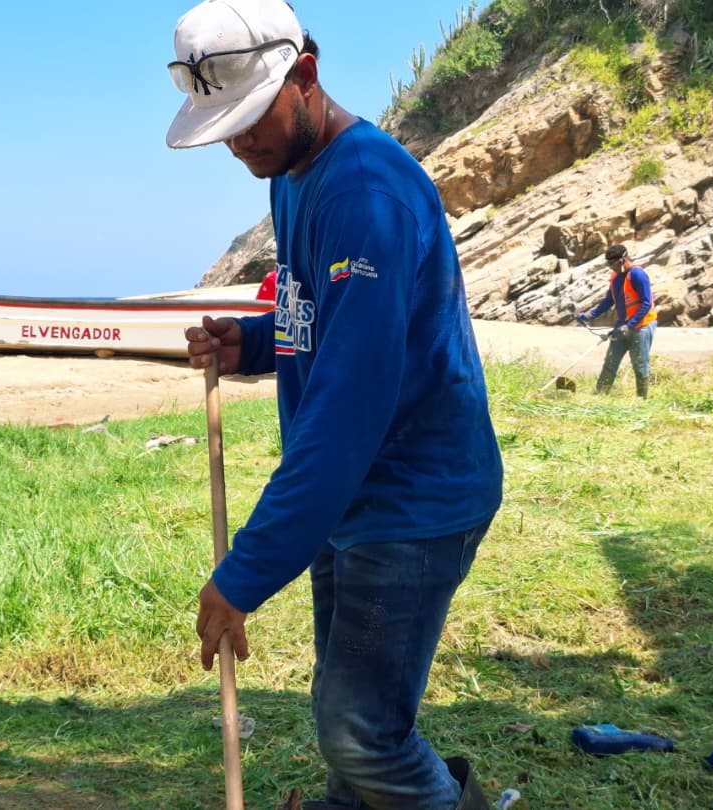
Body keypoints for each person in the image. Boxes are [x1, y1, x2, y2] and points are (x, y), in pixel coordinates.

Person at [166, 2, 503, 808]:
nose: (240, 145)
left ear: (306, 76)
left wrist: (242, 575)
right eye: (225, 129)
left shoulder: (367, 194)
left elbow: (346, 415)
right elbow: (322, 316)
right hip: (356, 499)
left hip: (413, 498)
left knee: (360, 729)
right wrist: (251, 343)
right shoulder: (291, 174)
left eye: (251, 119)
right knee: (349, 699)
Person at [576, 244, 658, 398]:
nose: (611, 268)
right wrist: (590, 315)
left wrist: (630, 325)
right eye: (609, 265)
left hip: (642, 326)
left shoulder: (638, 275)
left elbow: (646, 303)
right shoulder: (616, 277)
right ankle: (600, 395)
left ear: (623, 260)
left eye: (613, 264)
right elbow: (609, 300)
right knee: (611, 361)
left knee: (640, 365)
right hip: (622, 326)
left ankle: (642, 400)